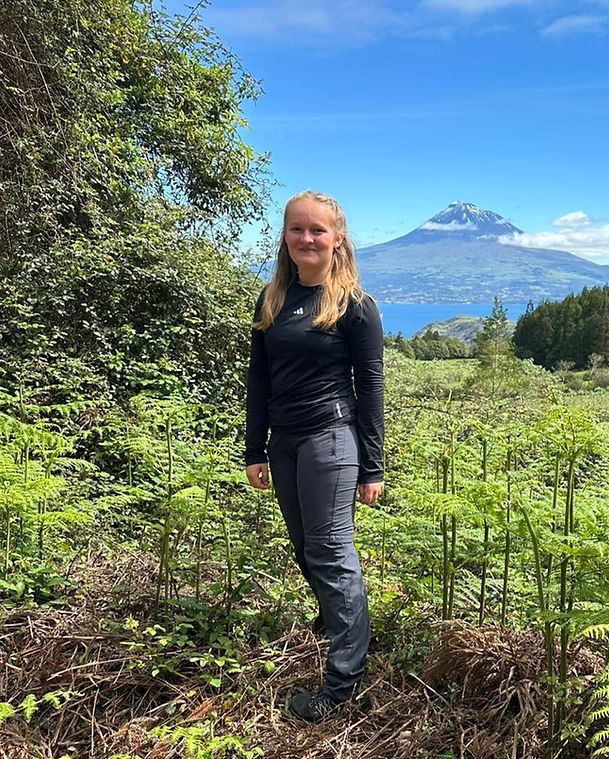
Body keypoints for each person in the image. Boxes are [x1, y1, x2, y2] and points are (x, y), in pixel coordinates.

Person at [244, 190, 384, 721]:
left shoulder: (355, 306)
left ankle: (345, 685)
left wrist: (372, 465)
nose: (307, 238)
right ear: (286, 236)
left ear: (337, 238)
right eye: (297, 229)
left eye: (317, 230)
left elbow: (370, 389)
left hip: (331, 437)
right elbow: (259, 379)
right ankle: (337, 620)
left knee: (329, 552)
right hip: (284, 444)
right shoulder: (272, 299)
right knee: (305, 547)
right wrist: (254, 447)